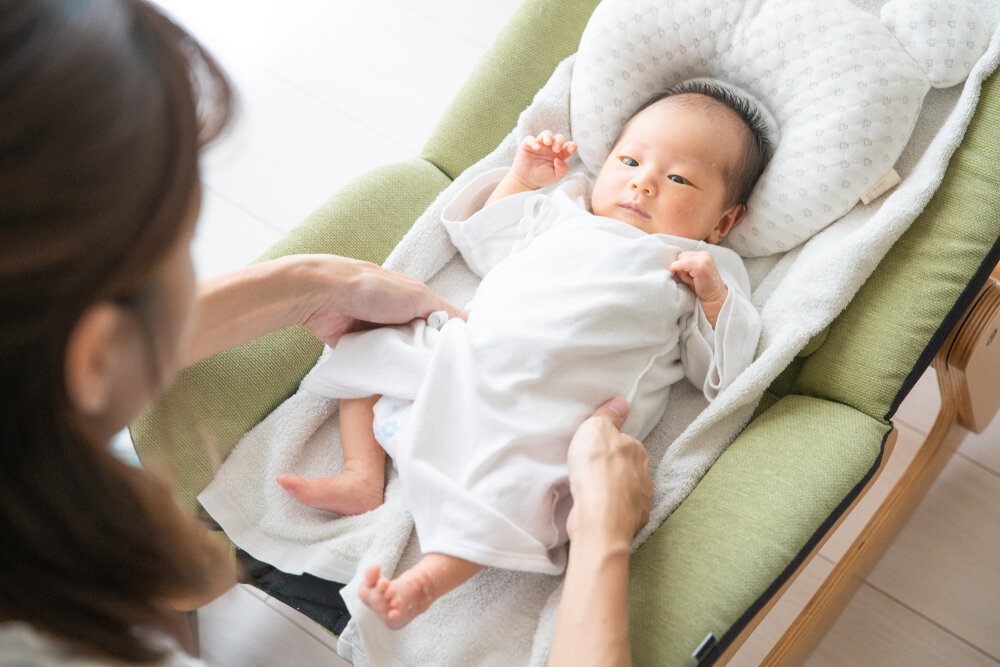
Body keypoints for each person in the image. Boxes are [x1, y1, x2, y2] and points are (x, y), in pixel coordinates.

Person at [0, 0, 652, 664]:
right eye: (175, 246)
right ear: (94, 356)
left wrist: (309, 283)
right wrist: (602, 534)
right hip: (477, 377)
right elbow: (493, 228)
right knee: (374, 369)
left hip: (506, 385)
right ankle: (362, 473)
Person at [277, 83, 772, 629]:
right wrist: (520, 180)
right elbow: (484, 245)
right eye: (629, 160)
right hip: (469, 355)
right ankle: (361, 475)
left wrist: (712, 299)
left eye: (679, 178)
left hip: (553, 408)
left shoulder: (696, 264)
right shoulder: (564, 211)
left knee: (517, 491)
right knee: (373, 343)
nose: (644, 181)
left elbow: (720, 372)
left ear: (722, 222)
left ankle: (428, 578)